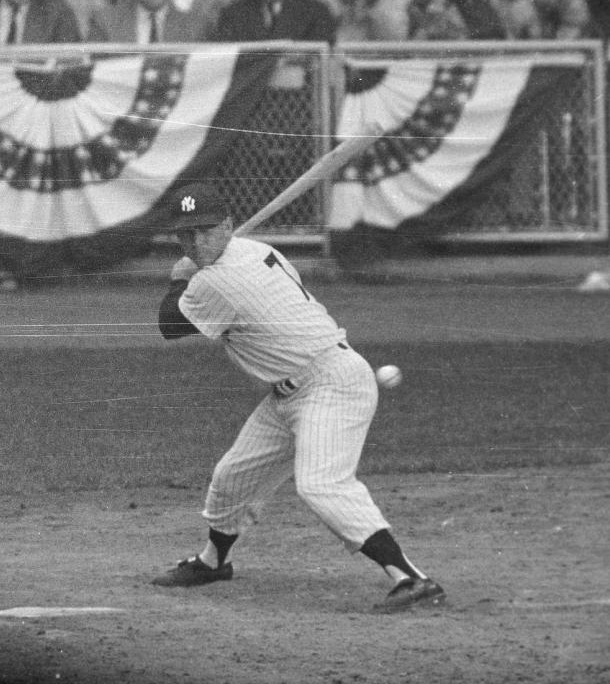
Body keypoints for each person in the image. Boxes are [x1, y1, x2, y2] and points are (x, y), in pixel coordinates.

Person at [152, 183, 446, 614]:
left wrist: (180, 277)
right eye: (187, 234)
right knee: (233, 476)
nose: (196, 242)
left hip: (330, 385)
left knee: (321, 484)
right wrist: (193, 273)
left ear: (228, 226)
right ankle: (213, 563)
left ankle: (411, 578)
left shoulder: (217, 281)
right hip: (292, 391)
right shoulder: (254, 251)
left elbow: (168, 324)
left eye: (205, 231)